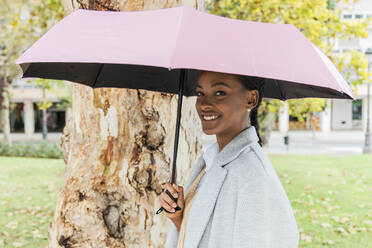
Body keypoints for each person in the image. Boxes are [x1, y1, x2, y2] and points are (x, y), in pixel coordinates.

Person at [157, 70, 300, 248]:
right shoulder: (211, 161)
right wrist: (179, 217)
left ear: (251, 99)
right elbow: (208, 234)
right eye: (201, 93)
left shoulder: (253, 177)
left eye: (219, 93)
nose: (204, 104)